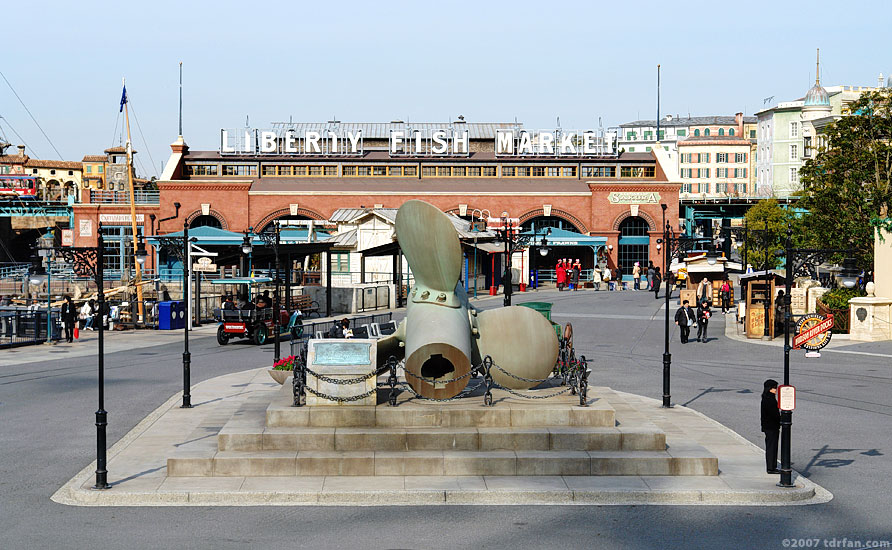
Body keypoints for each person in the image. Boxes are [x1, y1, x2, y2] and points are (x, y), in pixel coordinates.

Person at [761, 379, 781, 474]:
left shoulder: (767, 397)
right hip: (771, 427)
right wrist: (780, 418)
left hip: (769, 427)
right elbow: (774, 414)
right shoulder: (769, 399)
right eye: (774, 388)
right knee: (771, 447)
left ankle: (773, 466)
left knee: (772, 447)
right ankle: (771, 467)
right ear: (769, 388)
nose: (776, 390)